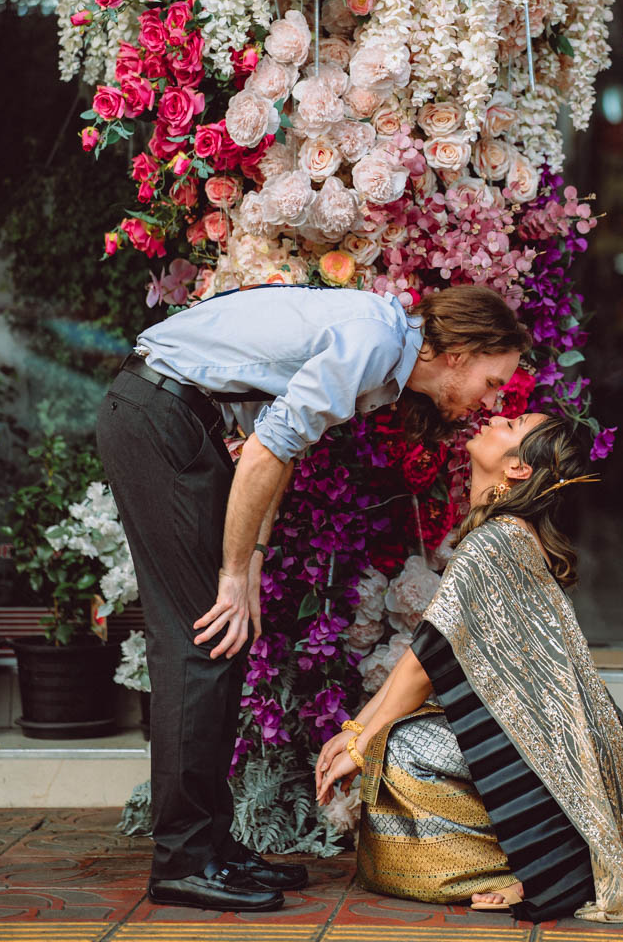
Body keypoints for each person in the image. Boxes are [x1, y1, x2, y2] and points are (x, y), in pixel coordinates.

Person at [96, 283, 530, 913]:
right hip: (158, 418)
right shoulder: (375, 341)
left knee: (221, 643)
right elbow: (267, 450)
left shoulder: (382, 351)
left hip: (173, 419)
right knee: (200, 642)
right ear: (458, 354)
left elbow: (274, 444)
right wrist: (230, 573)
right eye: (492, 382)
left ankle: (209, 845)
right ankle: (183, 861)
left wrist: (252, 562)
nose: (490, 401)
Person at [315, 411, 623, 925]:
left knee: (404, 748)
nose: (496, 414)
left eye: (511, 423)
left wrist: (359, 743)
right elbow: (430, 653)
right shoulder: (508, 536)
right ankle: (541, 855)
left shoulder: (494, 542)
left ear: (518, 469)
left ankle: (531, 867)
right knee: (403, 733)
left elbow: (423, 666)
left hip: (552, 741)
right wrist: (354, 730)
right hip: (569, 739)